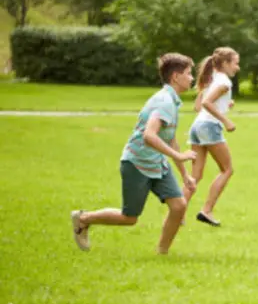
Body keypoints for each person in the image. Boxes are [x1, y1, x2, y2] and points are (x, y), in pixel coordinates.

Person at [71, 53, 197, 255]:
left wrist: (184, 174)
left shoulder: (173, 101)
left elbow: (171, 139)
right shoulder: (164, 101)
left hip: (156, 163)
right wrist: (180, 157)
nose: (192, 78)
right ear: (175, 77)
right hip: (137, 163)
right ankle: (84, 219)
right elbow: (149, 135)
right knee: (129, 218)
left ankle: (162, 253)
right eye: (189, 73)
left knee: (179, 205)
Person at [185, 47, 240, 227]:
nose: (237, 68)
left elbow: (198, 106)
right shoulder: (224, 82)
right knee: (227, 169)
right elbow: (207, 103)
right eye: (235, 63)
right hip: (209, 127)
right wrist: (226, 120)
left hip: (197, 126)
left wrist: (224, 105)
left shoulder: (212, 79)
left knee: (195, 175)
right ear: (225, 63)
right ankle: (206, 211)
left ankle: (177, 212)